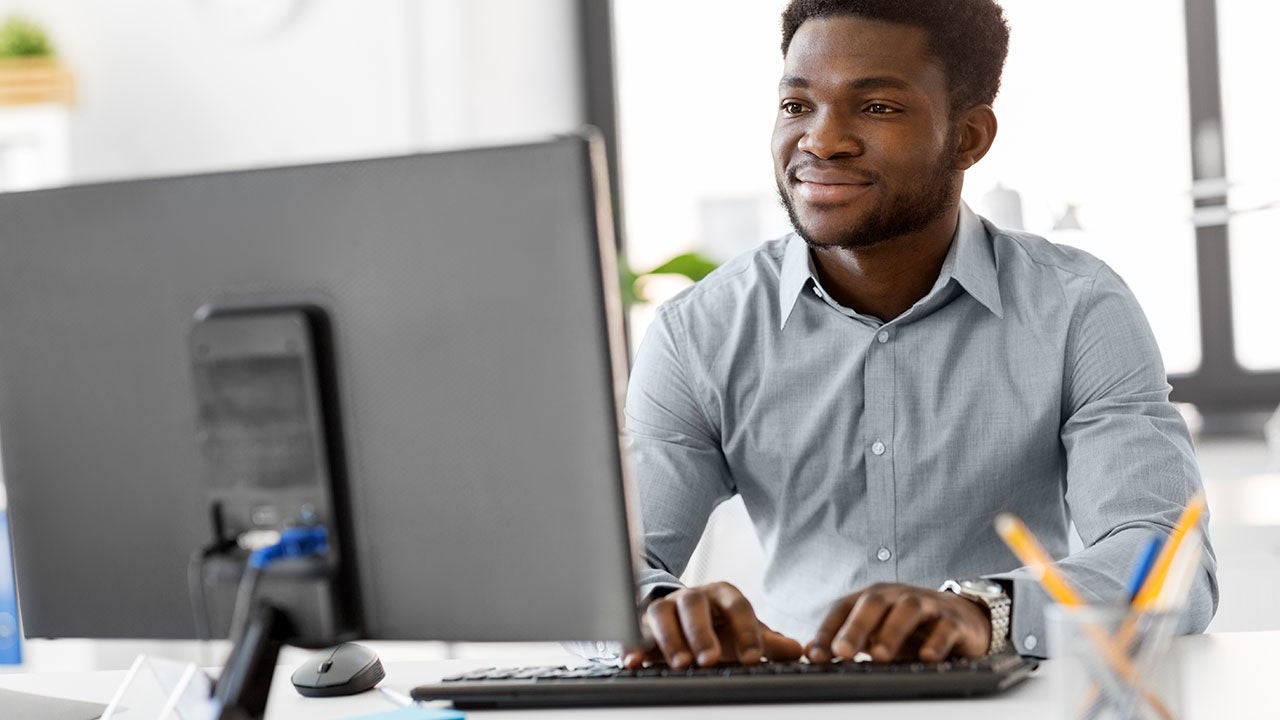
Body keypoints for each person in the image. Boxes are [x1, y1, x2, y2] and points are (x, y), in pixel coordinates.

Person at [621, 0, 1218, 669]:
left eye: (876, 107)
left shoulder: (1078, 308)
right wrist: (660, 613)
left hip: (1021, 706)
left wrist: (983, 612)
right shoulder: (700, 330)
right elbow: (613, 569)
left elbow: (1170, 566)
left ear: (969, 137)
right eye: (797, 106)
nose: (822, 140)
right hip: (795, 706)